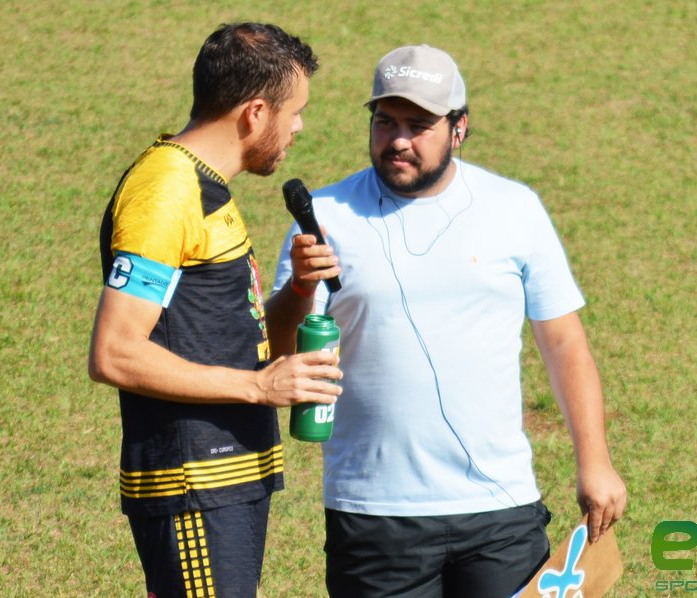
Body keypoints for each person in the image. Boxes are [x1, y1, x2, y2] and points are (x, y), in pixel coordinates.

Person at [267, 44, 627, 597]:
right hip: (374, 513)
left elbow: (564, 345)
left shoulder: (513, 209)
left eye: (419, 126)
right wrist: (299, 287)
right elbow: (276, 353)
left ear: (459, 128)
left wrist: (595, 462)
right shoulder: (323, 217)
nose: (399, 140)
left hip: (500, 510)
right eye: (385, 122)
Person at [88, 23, 342, 598]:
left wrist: (300, 290)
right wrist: (258, 388)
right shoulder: (166, 192)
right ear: (256, 113)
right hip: (193, 483)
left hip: (228, 479)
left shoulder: (204, 188)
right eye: (295, 112)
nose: (299, 127)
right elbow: (114, 353)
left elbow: (235, 339)